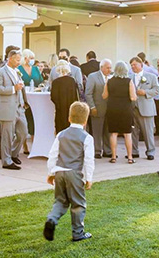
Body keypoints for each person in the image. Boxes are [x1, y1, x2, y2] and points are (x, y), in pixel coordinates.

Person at [43, 101, 94, 243]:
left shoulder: (61, 135)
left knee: (60, 201)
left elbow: (53, 154)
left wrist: (51, 172)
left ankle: (52, 219)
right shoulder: (87, 138)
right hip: (75, 173)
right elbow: (89, 160)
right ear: (85, 121)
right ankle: (78, 233)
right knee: (78, 204)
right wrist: (89, 178)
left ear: (69, 118)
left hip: (59, 172)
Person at [0, 48, 29, 170]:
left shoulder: (17, 71)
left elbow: (21, 88)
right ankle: (6, 161)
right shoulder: (0, 72)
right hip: (7, 108)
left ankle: (13, 154)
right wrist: (13, 88)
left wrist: (23, 102)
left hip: (19, 108)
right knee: (7, 136)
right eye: (17, 60)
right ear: (10, 59)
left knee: (23, 133)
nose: (19, 62)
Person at [102, 60, 136, 163]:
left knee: (113, 133)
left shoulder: (109, 81)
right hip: (125, 109)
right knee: (127, 134)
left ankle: (113, 157)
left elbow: (104, 96)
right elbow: (133, 97)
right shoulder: (129, 81)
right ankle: (130, 157)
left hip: (112, 109)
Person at [129, 56, 159, 160]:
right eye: (131, 65)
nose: (133, 67)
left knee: (148, 132)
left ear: (141, 65)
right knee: (133, 132)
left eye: (135, 65)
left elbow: (157, 90)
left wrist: (145, 92)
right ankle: (134, 151)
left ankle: (150, 151)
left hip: (146, 108)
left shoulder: (151, 77)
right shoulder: (130, 77)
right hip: (133, 107)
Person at [84, 58, 112, 158]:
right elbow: (88, 93)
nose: (110, 70)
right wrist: (92, 107)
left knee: (108, 131)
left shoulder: (112, 77)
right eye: (108, 68)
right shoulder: (93, 77)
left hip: (110, 109)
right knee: (97, 131)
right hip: (97, 108)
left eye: (110, 68)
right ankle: (97, 150)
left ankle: (108, 151)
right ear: (101, 67)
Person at [18, 48, 43, 153]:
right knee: (24, 122)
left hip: (36, 97)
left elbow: (41, 81)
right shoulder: (19, 69)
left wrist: (41, 86)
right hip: (24, 97)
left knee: (34, 121)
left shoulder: (36, 69)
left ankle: (35, 145)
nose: (33, 60)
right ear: (25, 58)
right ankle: (24, 145)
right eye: (31, 58)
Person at [51, 61, 80, 132]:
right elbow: (76, 95)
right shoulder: (72, 81)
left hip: (60, 110)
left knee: (60, 129)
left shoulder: (55, 82)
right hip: (71, 109)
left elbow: (53, 97)